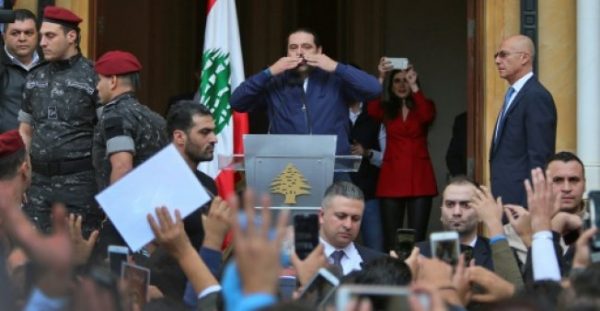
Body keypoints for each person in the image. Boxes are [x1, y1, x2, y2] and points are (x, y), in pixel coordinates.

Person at [229, 28, 381, 155]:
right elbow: (237, 102)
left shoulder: (336, 79)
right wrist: (269, 72)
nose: (300, 52)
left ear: (319, 51)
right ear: (287, 52)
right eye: (293, 47)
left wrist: (336, 67)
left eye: (307, 47)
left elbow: (374, 90)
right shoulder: (274, 81)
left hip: (334, 167)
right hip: (287, 170)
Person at [17, 6, 101, 236]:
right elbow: (25, 130)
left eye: (50, 36)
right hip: (39, 184)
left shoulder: (94, 76)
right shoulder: (35, 76)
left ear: (71, 36)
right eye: (41, 36)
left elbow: (104, 134)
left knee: (77, 258)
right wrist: (23, 174)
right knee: (35, 260)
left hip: (79, 183)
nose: (42, 42)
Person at [368, 57, 437, 247]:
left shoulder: (425, 104)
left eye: (405, 80)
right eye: (397, 81)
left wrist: (415, 86)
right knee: (392, 239)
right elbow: (371, 109)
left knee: (417, 239)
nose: (401, 84)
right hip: (392, 177)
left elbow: (426, 115)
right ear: (391, 86)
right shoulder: (386, 109)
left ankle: (416, 275)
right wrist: (381, 77)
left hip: (419, 177)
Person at [490, 34, 557, 207]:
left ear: (524, 58)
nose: (497, 60)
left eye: (503, 55)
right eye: (496, 55)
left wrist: (529, 207)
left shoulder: (535, 96)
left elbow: (540, 157)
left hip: (521, 206)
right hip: (505, 201)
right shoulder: (514, 94)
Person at [92, 50, 168, 190]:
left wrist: (116, 208)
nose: (96, 87)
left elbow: (122, 167)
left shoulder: (114, 116)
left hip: (131, 205)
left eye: (98, 80)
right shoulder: (155, 117)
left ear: (113, 81)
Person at [417, 176, 494, 271]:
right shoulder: (417, 254)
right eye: (450, 204)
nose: (456, 212)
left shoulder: (497, 253)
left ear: (480, 214)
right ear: (441, 213)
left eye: (466, 205)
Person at [318, 181, 386, 275]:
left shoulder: (380, 264)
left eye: (355, 219)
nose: (348, 225)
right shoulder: (297, 259)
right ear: (321, 216)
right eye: (341, 216)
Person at [0, 9, 44, 133]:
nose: (22, 38)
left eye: (28, 33)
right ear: (4, 36)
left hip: (44, 147)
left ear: (38, 35)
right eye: (15, 33)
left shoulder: (51, 64)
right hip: (6, 146)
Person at [348, 99, 384, 251]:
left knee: (375, 248)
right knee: (337, 248)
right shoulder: (333, 112)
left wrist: (367, 152)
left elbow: (386, 158)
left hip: (369, 192)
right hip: (340, 192)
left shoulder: (374, 114)